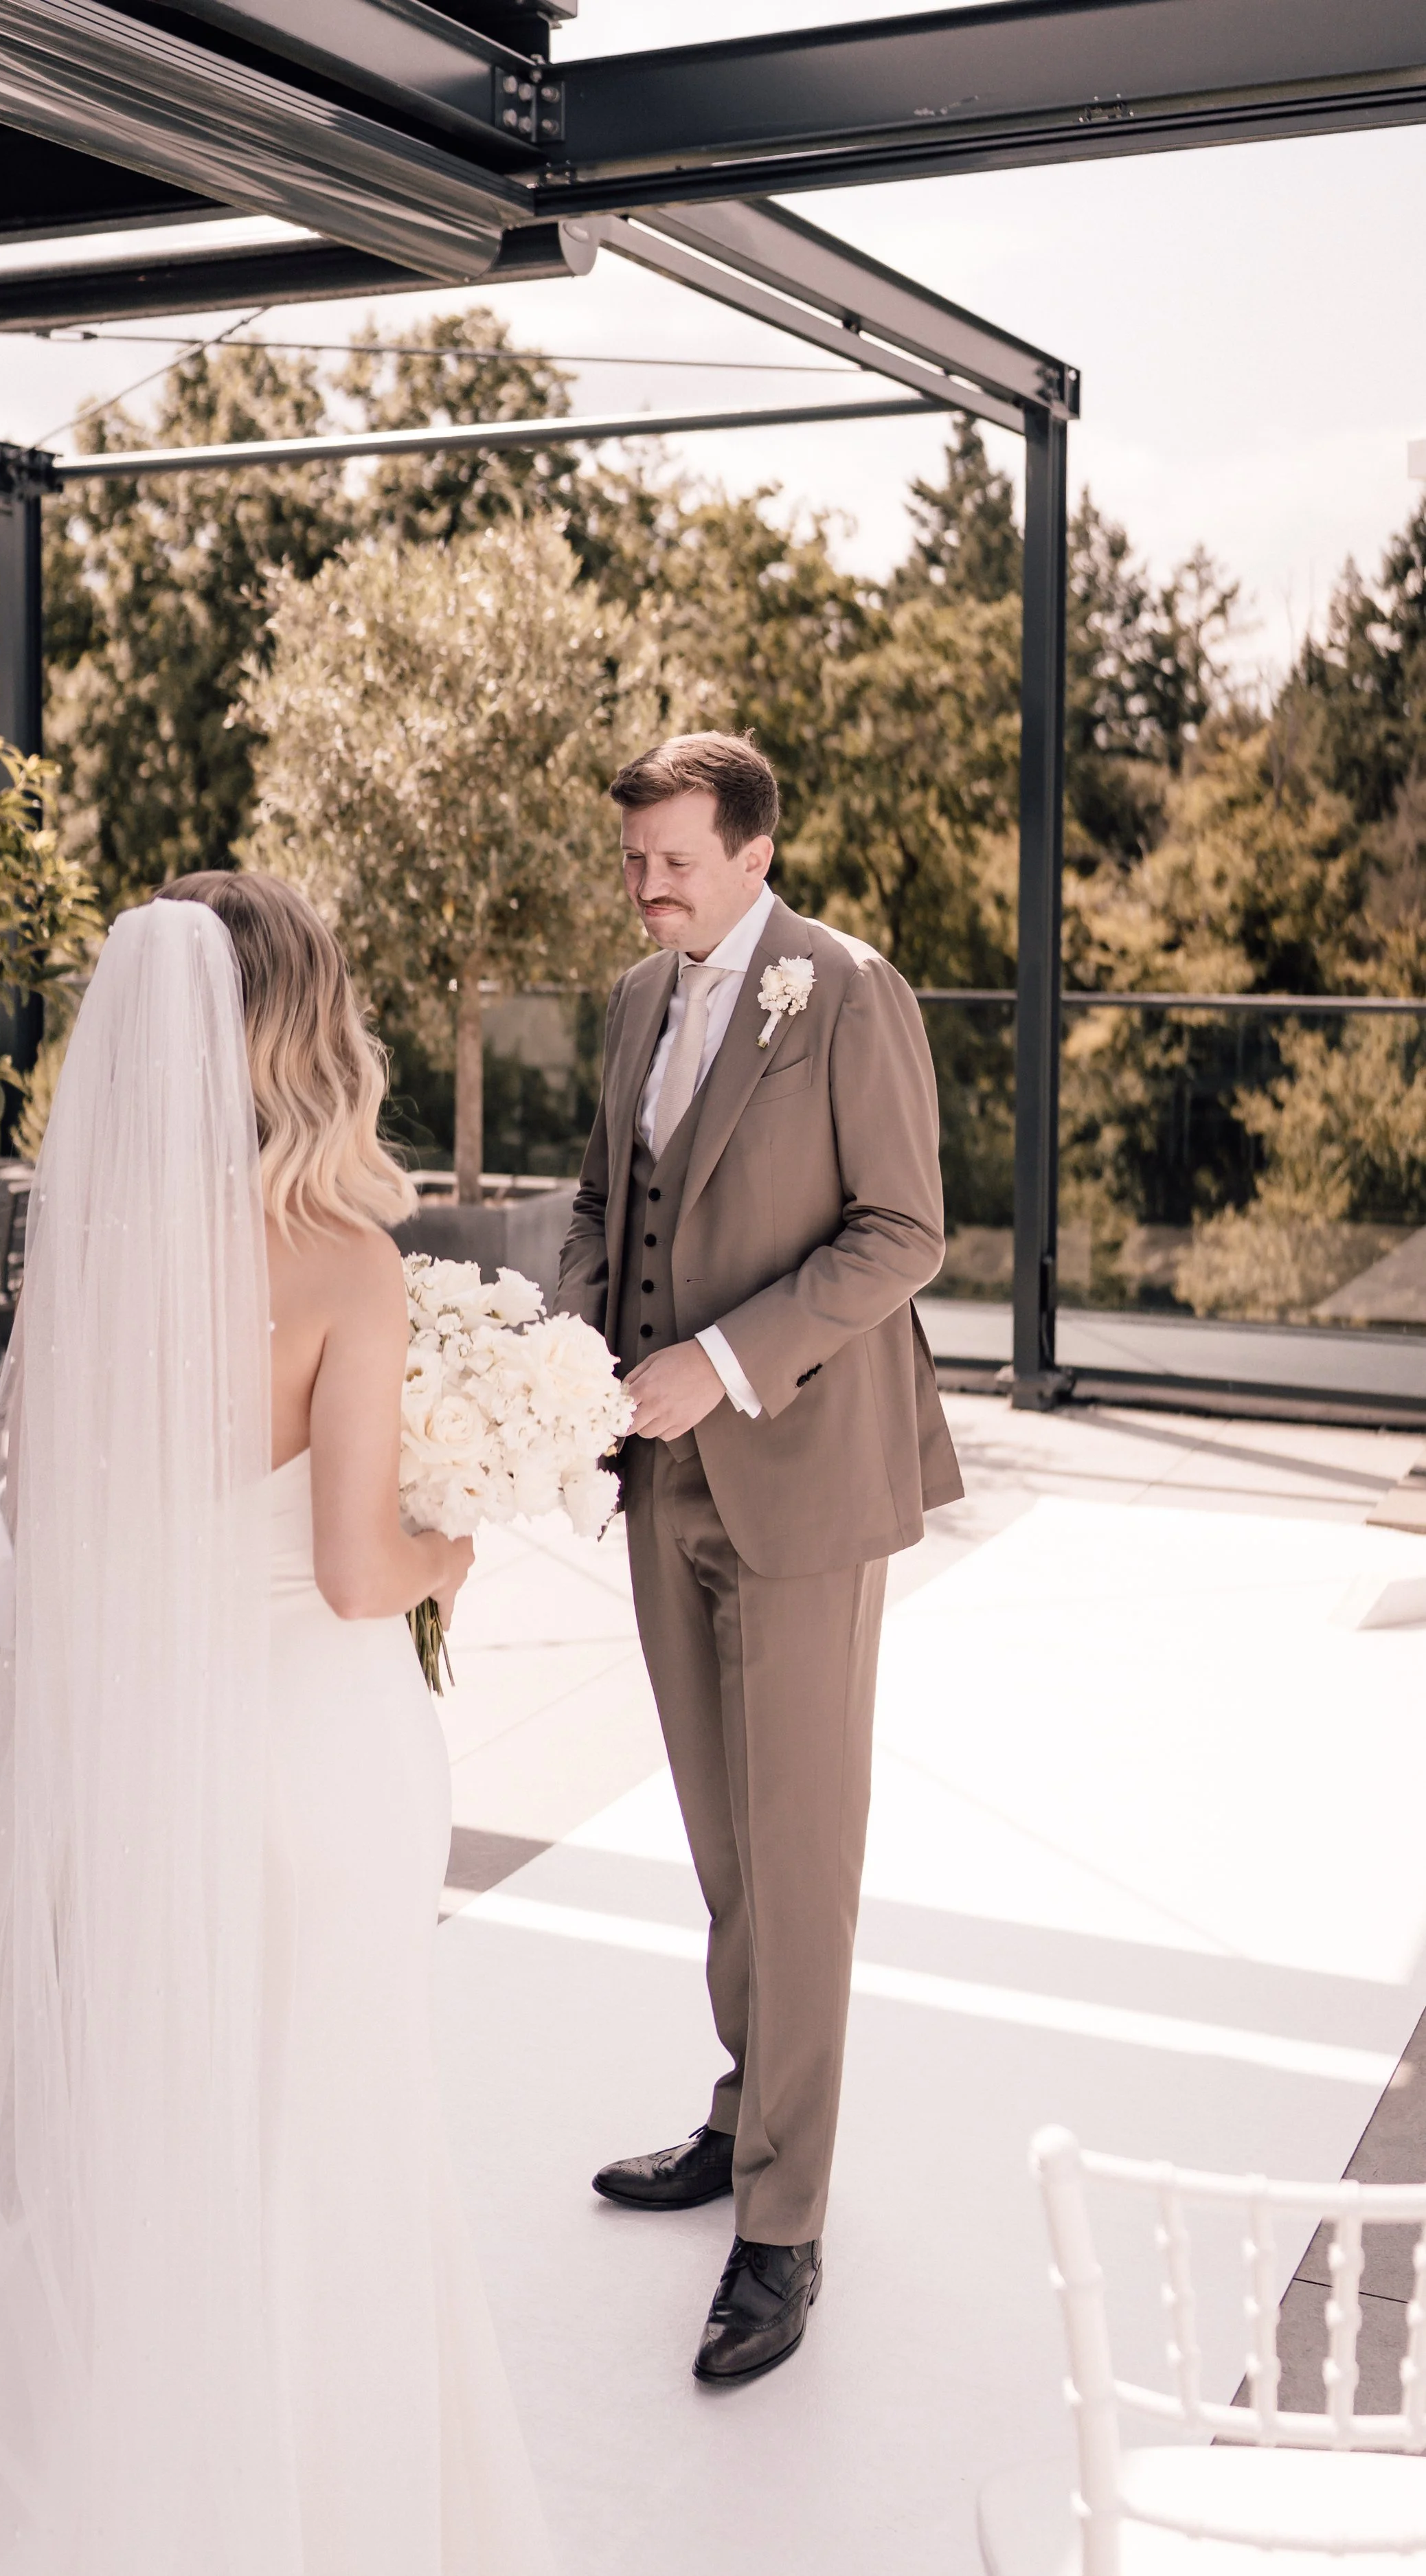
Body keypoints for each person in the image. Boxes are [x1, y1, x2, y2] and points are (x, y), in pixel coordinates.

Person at [0, 879, 554, 2574]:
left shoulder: (93, 1269)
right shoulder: (346, 1264)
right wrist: (463, 1525)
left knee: (164, 2157)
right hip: (315, 1776)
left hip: (147, 1779)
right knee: (328, 2144)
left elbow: (43, 1533)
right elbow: (360, 1572)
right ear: (307, 1037)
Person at [556, 732, 962, 2386]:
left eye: (670, 857)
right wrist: (581, 1347)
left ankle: (783, 2229)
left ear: (750, 849)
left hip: (799, 1473)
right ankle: (745, 2118)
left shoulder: (845, 991)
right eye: (634, 856)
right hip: (660, 1485)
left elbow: (904, 1231)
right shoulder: (633, 1002)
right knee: (725, 1846)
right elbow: (599, 1204)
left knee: (801, 1855)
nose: (644, 883)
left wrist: (715, 1363)